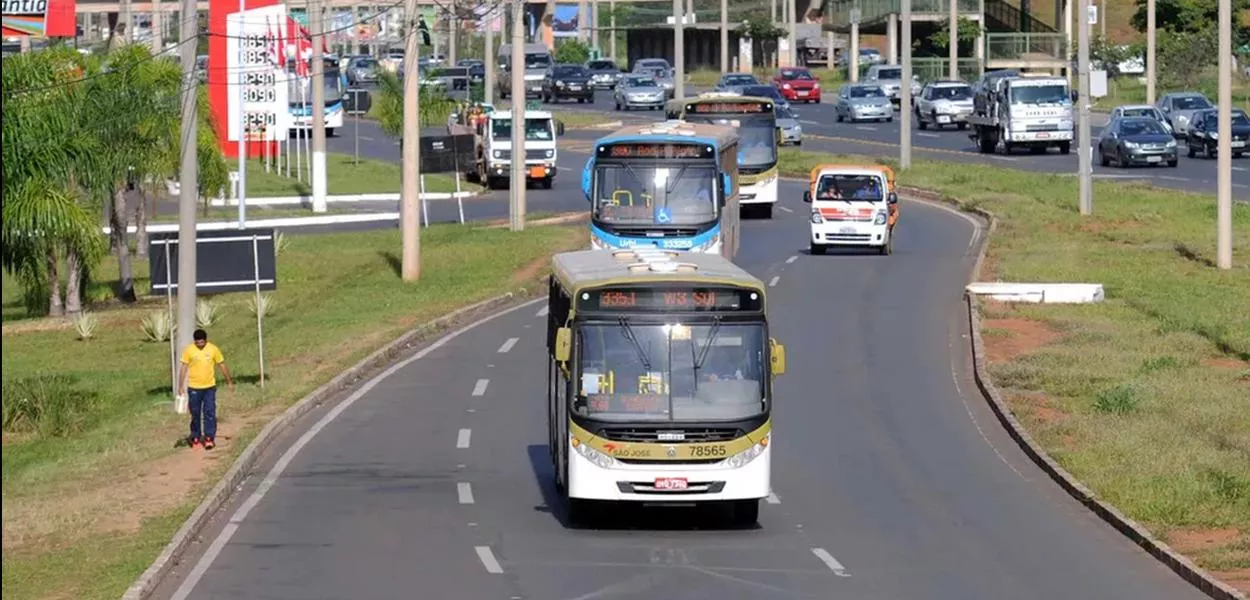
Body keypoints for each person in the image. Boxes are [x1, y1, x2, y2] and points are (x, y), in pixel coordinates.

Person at [178, 328, 234, 450]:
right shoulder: (189, 350)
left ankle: (209, 437)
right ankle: (196, 436)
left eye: (202, 342)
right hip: (194, 387)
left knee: (209, 412)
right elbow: (183, 367)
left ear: (206, 340)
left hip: (209, 387)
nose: (200, 345)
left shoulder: (213, 349)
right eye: (197, 343)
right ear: (194, 342)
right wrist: (180, 385)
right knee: (195, 413)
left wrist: (229, 381)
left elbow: (222, 365)